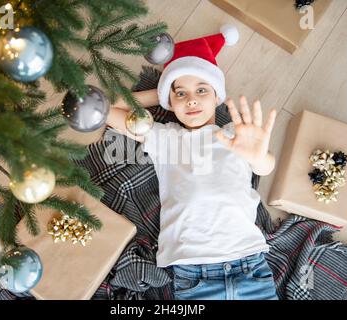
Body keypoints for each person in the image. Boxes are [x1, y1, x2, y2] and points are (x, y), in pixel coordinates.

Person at [105, 25, 278, 300]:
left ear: (217, 96)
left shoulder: (236, 134)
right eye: (181, 93)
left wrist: (259, 157)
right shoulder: (165, 138)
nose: (192, 100)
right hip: (195, 276)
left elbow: (265, 166)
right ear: (170, 102)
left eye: (201, 90)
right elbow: (107, 109)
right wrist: (161, 94)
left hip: (250, 267)